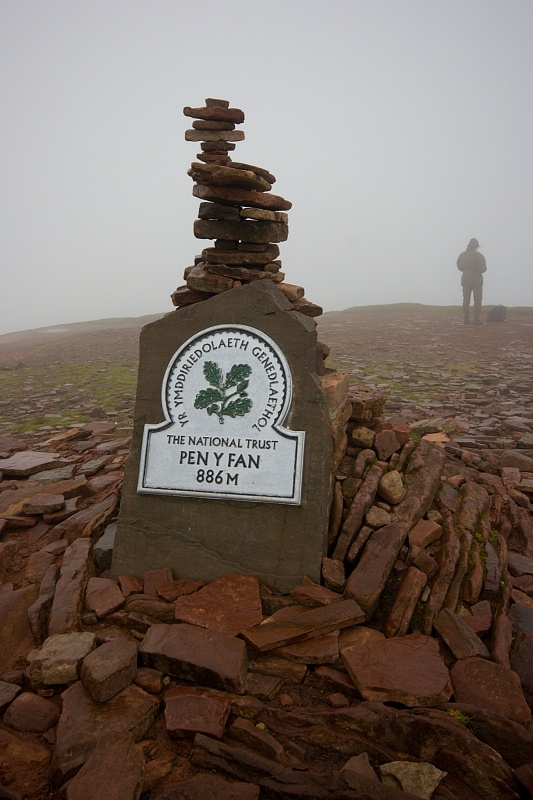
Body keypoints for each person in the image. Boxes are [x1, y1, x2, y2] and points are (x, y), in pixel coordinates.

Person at [457, 238, 487, 325]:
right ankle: (476, 319)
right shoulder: (479, 256)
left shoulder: (462, 255)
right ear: (476, 246)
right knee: (477, 300)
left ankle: (466, 319)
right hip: (476, 280)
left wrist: (466, 270)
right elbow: (482, 269)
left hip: (465, 279)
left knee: (466, 300)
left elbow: (459, 267)